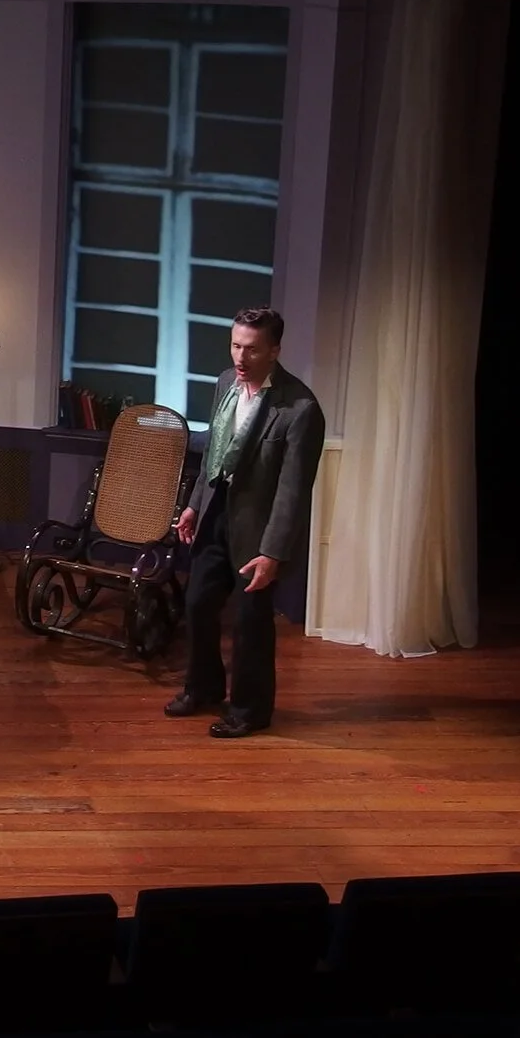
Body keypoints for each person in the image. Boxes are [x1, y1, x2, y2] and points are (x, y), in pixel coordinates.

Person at [165, 307, 325, 739]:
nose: (241, 356)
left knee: (251, 622)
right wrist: (195, 504)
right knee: (197, 603)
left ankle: (249, 710)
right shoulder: (224, 383)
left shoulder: (301, 407)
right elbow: (216, 449)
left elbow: (294, 491)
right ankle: (202, 687)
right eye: (236, 345)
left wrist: (272, 553)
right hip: (215, 512)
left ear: (274, 350)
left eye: (252, 349)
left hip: (258, 529)